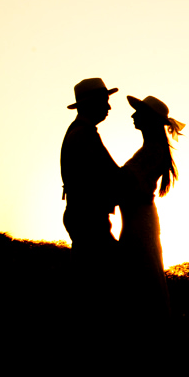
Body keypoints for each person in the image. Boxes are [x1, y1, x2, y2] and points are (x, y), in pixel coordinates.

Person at [119, 94, 184, 321]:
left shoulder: (153, 151)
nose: (133, 115)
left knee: (140, 271)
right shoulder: (150, 149)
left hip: (139, 221)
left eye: (138, 112)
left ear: (149, 119)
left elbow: (126, 181)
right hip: (136, 219)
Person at [61, 78, 121, 262]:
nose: (109, 108)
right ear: (92, 103)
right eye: (105, 101)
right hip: (89, 220)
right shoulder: (83, 135)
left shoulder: (81, 132)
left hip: (85, 217)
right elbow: (109, 175)